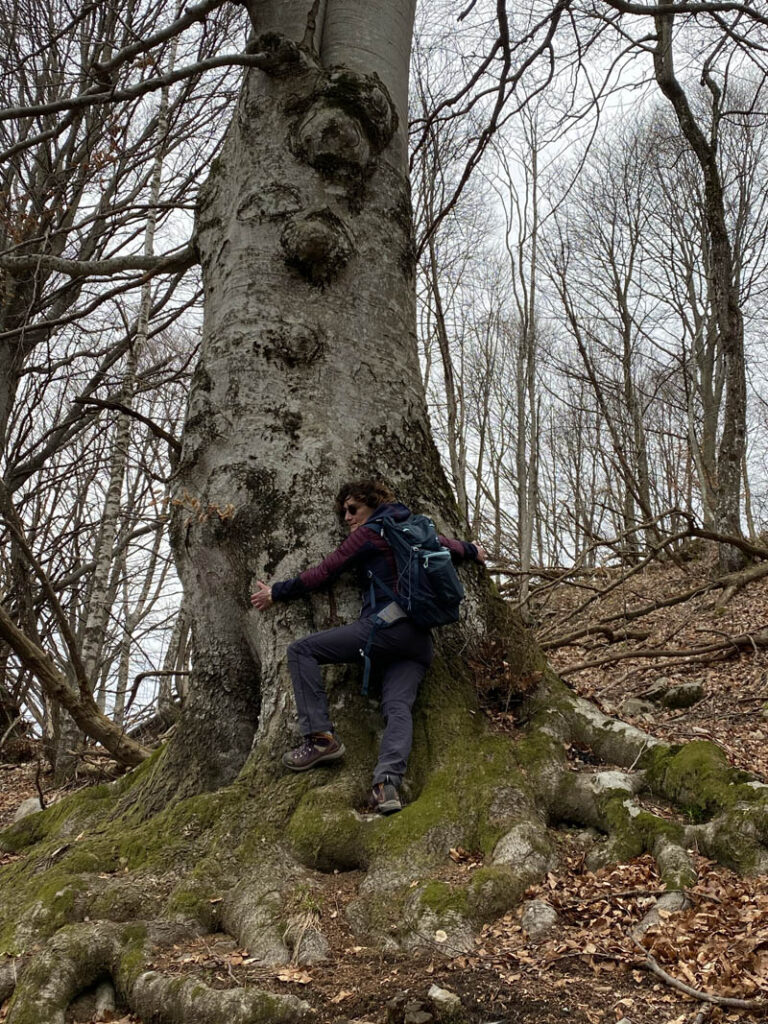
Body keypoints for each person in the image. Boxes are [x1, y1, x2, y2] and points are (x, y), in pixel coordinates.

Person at [250, 479, 486, 815]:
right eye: (343, 511)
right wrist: (474, 550)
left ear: (373, 504)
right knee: (397, 708)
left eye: (352, 509)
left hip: (383, 630)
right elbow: (450, 546)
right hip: (418, 641)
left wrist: (277, 592)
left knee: (301, 651)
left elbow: (324, 572)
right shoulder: (416, 528)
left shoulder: (370, 533)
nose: (346, 517)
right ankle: (385, 786)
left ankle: (320, 739)